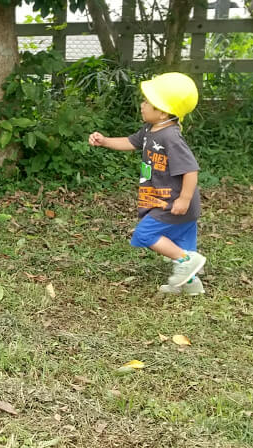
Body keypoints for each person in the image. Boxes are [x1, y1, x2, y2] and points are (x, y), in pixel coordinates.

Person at [88, 73, 206, 295]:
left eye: (147, 102)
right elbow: (130, 142)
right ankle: (190, 285)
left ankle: (187, 260)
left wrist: (184, 198)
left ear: (162, 112)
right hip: (171, 201)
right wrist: (104, 141)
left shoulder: (171, 136)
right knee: (182, 241)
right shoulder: (150, 131)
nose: (142, 105)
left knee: (145, 234)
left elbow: (190, 170)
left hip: (174, 202)